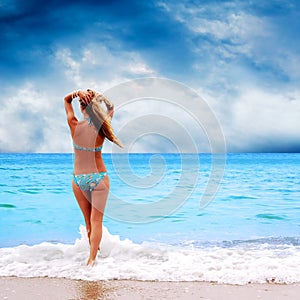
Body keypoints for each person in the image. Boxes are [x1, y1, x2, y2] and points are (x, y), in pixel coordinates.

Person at [64, 89, 123, 266]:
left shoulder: (73, 124)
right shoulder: (102, 126)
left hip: (78, 179)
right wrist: (98, 96)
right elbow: (111, 106)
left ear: (82, 108)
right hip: (98, 177)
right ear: (95, 107)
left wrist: (75, 94)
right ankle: (92, 259)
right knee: (96, 221)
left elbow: (66, 101)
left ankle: (92, 255)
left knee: (88, 223)